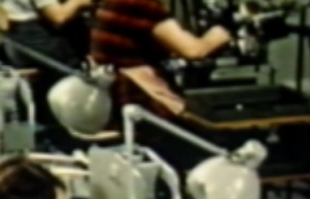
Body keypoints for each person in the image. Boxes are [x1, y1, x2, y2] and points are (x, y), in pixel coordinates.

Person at [90, 0, 232, 118]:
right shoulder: (141, 5)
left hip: (111, 99)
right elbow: (194, 51)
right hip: (140, 100)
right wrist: (222, 33)